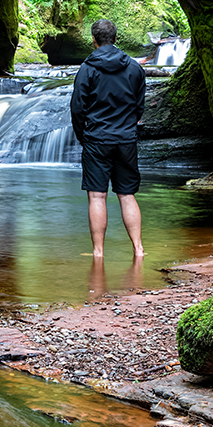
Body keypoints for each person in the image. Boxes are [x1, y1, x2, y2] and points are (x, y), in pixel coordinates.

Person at [69, 19, 146, 259]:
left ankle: (98, 253)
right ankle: (138, 249)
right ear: (116, 38)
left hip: (96, 139)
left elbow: (77, 108)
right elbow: (139, 106)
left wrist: (84, 135)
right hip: (125, 139)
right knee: (126, 194)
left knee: (97, 195)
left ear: (93, 40)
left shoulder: (87, 69)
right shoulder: (134, 68)